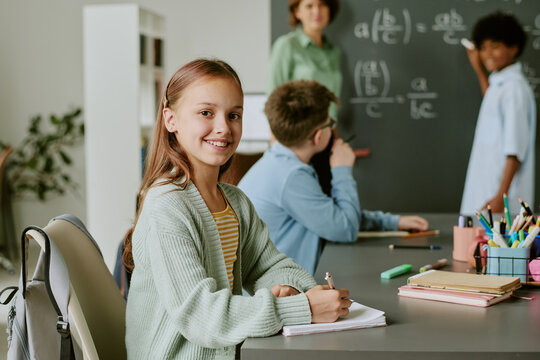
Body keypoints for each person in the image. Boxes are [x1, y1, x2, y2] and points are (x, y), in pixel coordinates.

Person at [123, 59, 351, 359]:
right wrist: (302, 308)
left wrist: (289, 288)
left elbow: (270, 266)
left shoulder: (234, 200)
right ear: (171, 120)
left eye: (234, 115)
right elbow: (202, 316)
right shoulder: (167, 204)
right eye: (206, 112)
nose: (223, 128)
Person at [238, 80, 429, 275]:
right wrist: (342, 169)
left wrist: (392, 222)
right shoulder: (291, 177)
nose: (333, 128)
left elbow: (330, 215)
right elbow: (346, 229)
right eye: (330, 123)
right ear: (318, 137)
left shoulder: (280, 162)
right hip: (284, 294)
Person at [460, 11, 536, 215]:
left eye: (495, 46)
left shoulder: (514, 90)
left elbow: (515, 149)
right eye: (483, 48)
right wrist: (478, 69)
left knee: (494, 245)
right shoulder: (501, 85)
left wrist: (501, 195)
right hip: (490, 193)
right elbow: (492, 102)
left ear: (513, 47)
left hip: (499, 198)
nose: (487, 54)